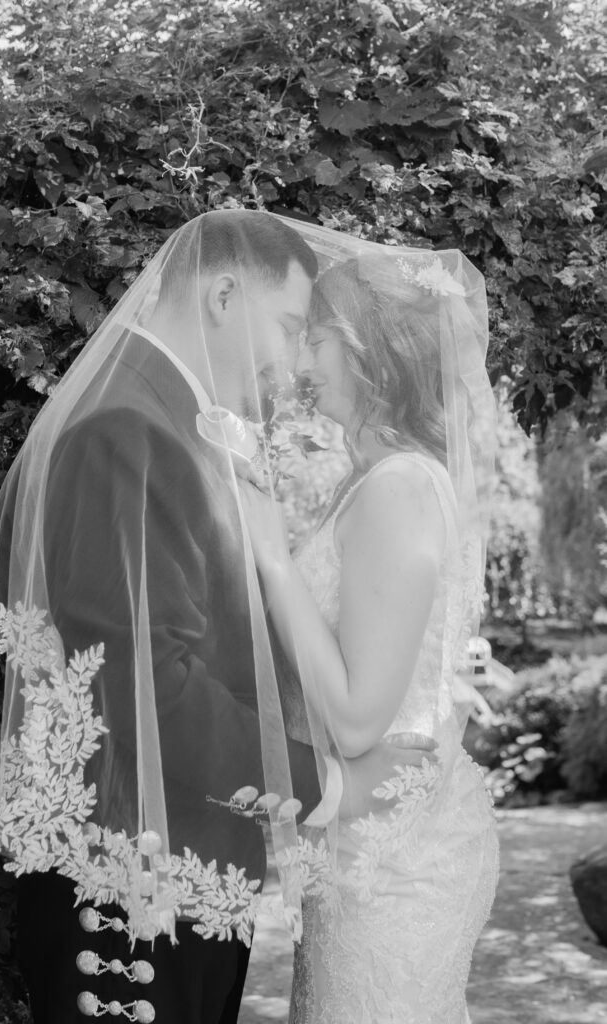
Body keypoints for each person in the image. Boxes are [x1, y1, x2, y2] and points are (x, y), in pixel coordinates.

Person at [0, 210, 436, 1024]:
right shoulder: (127, 429)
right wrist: (327, 783)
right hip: (126, 901)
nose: (291, 363)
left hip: (171, 874)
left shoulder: (163, 419)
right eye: (289, 327)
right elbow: (153, 689)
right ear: (223, 292)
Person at [239, 251, 500, 1023]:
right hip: (362, 841)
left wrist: (270, 555)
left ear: (368, 349)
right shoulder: (381, 478)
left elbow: (357, 717)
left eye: (315, 338)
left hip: (392, 862)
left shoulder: (399, 488)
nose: (301, 361)